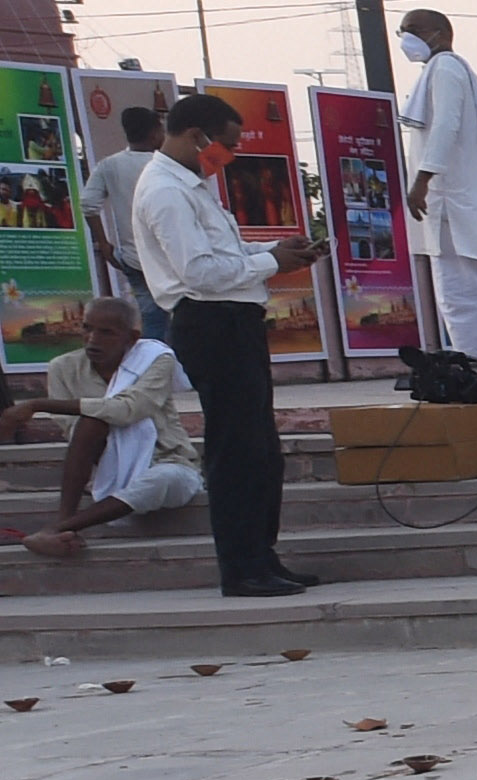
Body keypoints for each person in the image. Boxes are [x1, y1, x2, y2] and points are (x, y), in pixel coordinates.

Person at [124, 88, 318, 593]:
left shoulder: (192, 183)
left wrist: (273, 250)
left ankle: (262, 554)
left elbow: (223, 253)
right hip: (209, 321)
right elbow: (200, 272)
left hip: (236, 316)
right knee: (235, 447)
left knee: (261, 447)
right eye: (226, 147)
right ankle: (241, 567)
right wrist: (273, 263)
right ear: (196, 137)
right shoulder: (165, 189)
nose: (228, 158)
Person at [13, 298, 207, 559]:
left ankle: (57, 529)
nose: (93, 339)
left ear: (132, 337)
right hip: (103, 468)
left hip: (167, 461)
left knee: (162, 479)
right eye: (87, 328)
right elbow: (75, 431)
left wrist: (38, 403)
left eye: (106, 333)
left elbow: (129, 410)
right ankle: (65, 519)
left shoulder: (155, 360)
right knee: (90, 421)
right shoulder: (63, 368)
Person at [394, 8, 477, 355]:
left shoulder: (443, 69)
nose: (405, 38)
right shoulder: (461, 72)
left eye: (413, 30)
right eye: (401, 31)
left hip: (449, 203)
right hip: (468, 201)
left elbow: (446, 125)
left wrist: (422, 181)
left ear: (440, 34)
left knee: (458, 293)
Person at [86, 99, 168, 335]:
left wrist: (103, 243)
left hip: (134, 257)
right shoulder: (167, 165)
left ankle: (152, 365)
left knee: (151, 317)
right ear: (154, 132)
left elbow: (88, 204)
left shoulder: (109, 165)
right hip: (173, 257)